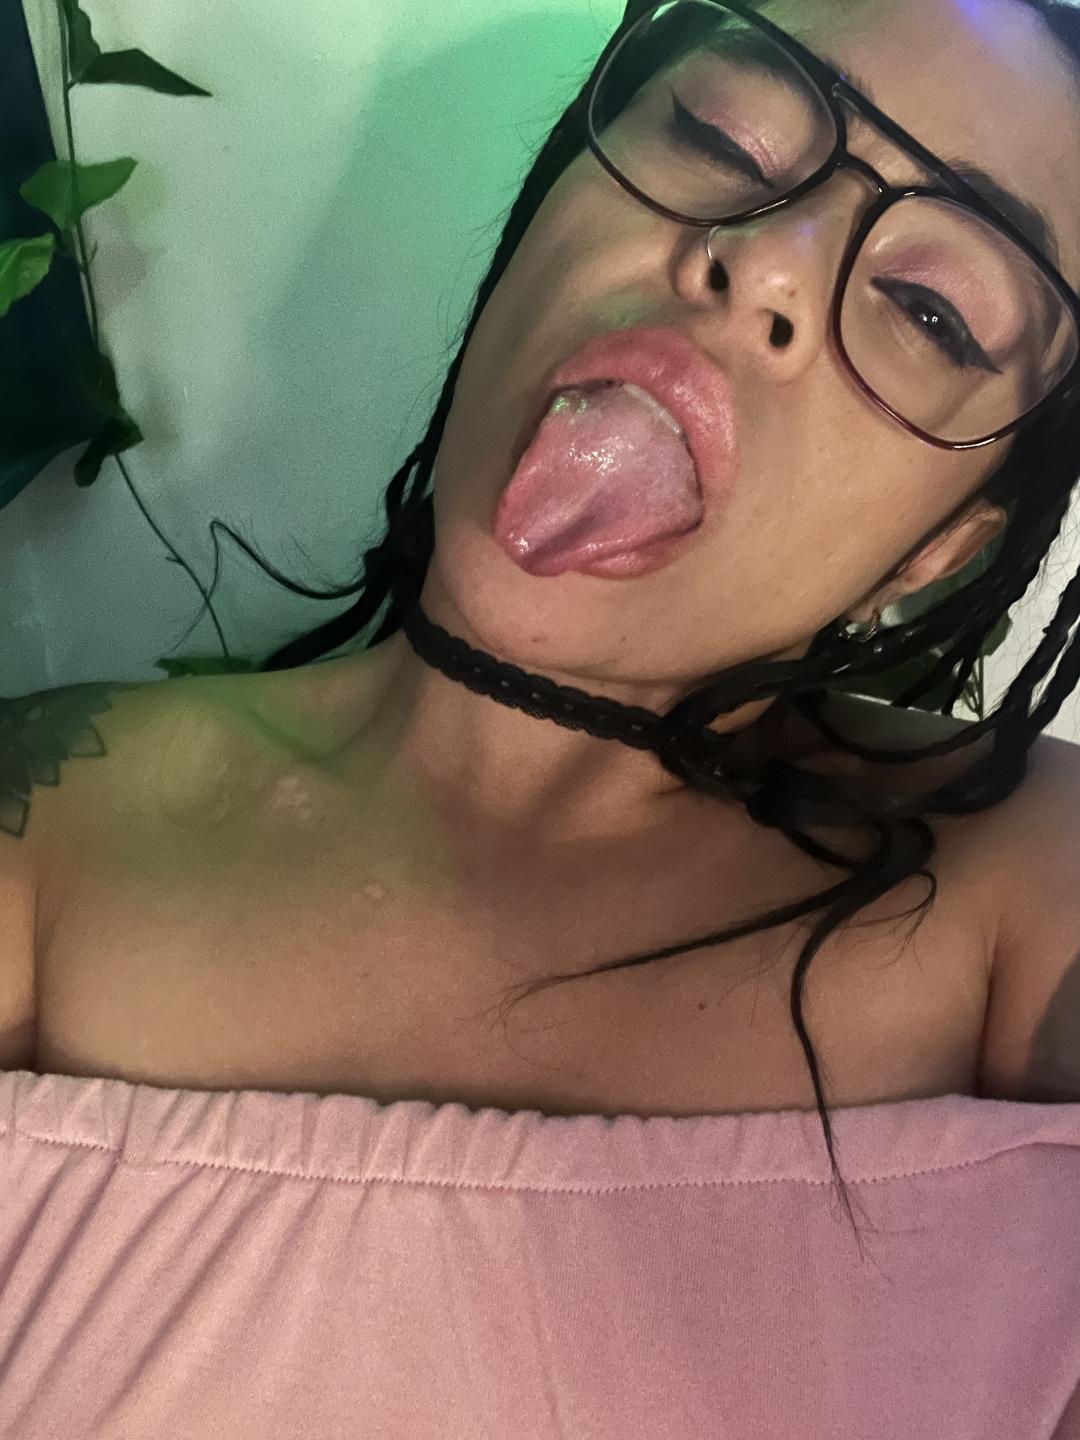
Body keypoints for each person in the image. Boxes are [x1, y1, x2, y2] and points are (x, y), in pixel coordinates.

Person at [4, 2, 1080, 1434]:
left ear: (937, 552)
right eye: (722, 135)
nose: (765, 256)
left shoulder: (1037, 886)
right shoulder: (42, 826)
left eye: (931, 309)